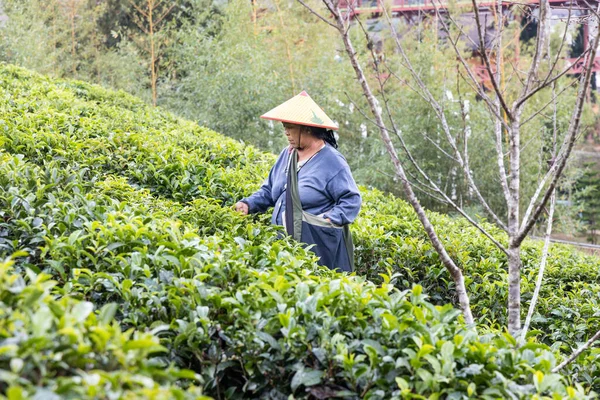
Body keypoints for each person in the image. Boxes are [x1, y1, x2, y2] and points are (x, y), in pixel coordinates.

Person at [234, 91, 362, 272]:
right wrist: (248, 204)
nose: (285, 131)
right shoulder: (287, 154)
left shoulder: (332, 161)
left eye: (290, 126)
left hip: (314, 249)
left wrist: (327, 220)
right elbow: (269, 190)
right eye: (284, 126)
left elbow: (352, 200)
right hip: (282, 245)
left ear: (307, 128)